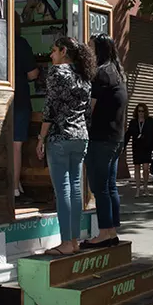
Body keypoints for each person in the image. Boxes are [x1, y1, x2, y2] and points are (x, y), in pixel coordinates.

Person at [36, 37, 95, 255]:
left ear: (63, 51)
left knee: (63, 191)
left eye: (53, 51)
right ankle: (75, 240)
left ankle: (65, 243)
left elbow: (50, 108)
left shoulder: (57, 73)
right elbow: (87, 111)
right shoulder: (84, 75)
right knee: (75, 188)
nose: (51, 56)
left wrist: (41, 138)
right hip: (80, 136)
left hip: (60, 136)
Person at [82, 34, 127, 248]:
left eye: (91, 47)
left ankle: (103, 233)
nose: (88, 50)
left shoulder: (101, 74)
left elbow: (90, 108)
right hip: (115, 138)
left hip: (100, 138)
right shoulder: (117, 73)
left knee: (99, 188)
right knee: (110, 187)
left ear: (99, 49)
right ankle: (110, 231)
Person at [13, 33, 39, 198]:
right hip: (19, 99)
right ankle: (14, 187)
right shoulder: (20, 43)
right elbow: (33, 74)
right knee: (16, 145)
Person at [124, 103, 153, 198]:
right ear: (136, 112)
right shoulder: (133, 122)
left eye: (142, 111)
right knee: (136, 168)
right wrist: (123, 146)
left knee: (146, 168)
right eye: (139, 111)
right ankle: (138, 189)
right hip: (137, 147)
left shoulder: (150, 121)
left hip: (147, 148)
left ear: (145, 112)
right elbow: (128, 134)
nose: (141, 113)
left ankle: (146, 188)